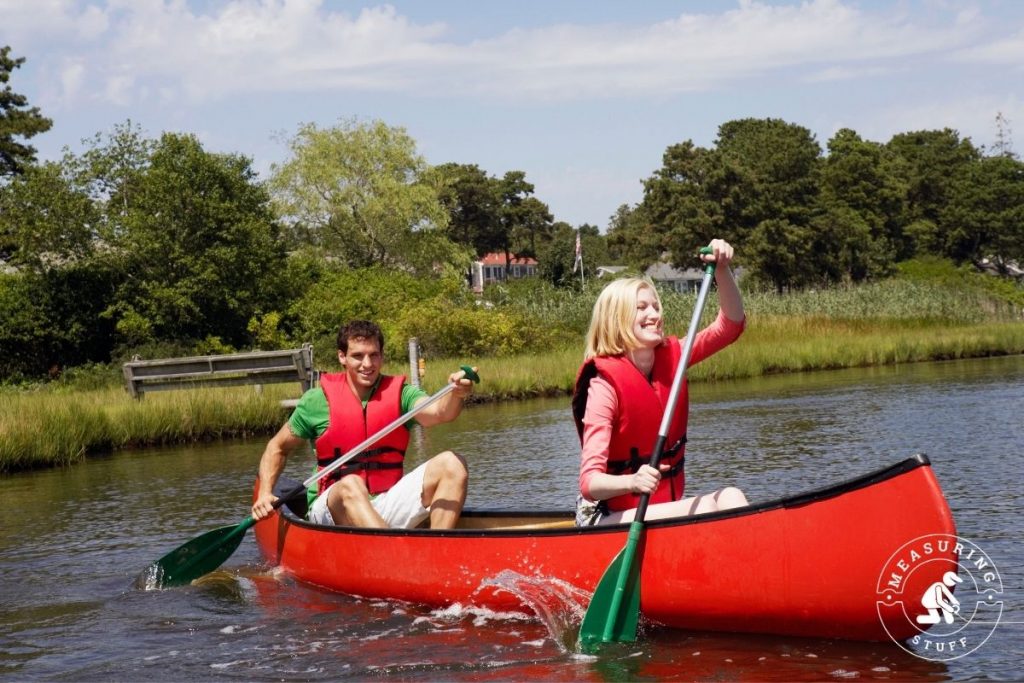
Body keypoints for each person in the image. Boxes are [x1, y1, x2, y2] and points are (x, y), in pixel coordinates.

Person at [571, 239, 748, 526]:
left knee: (730, 498)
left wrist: (722, 270)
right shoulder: (603, 387)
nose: (655, 315)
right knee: (719, 503)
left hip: (656, 510)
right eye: (642, 308)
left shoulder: (674, 356)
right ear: (616, 320)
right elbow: (590, 482)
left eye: (656, 306)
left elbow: (731, 325)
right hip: (605, 517)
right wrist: (633, 481)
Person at [252, 320, 475, 529]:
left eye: (373, 355)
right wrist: (264, 493)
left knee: (453, 464)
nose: (367, 364)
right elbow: (277, 448)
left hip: (385, 502)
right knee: (351, 484)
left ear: (382, 357)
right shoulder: (316, 401)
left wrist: (456, 394)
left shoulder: (401, 394)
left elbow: (439, 412)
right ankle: (392, 552)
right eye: (358, 356)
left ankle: (437, 549)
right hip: (331, 509)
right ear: (342, 357)